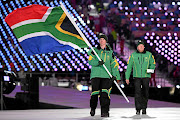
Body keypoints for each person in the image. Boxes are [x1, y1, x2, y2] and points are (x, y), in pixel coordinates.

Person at [88, 33, 121, 117]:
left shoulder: (110, 53)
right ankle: (93, 109)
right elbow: (90, 61)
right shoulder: (94, 50)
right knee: (94, 93)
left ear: (106, 41)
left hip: (106, 76)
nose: (101, 41)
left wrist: (115, 75)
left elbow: (114, 65)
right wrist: (97, 63)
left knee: (105, 94)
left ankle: (105, 111)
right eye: (100, 39)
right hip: (96, 75)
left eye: (103, 39)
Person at [125, 40, 156, 115]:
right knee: (137, 93)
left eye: (142, 46)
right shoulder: (133, 55)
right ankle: (138, 109)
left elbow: (153, 64)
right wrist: (127, 77)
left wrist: (150, 70)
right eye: (139, 46)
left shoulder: (149, 55)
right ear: (137, 47)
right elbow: (129, 67)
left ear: (144, 47)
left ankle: (144, 108)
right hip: (137, 77)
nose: (140, 47)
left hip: (146, 76)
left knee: (145, 92)